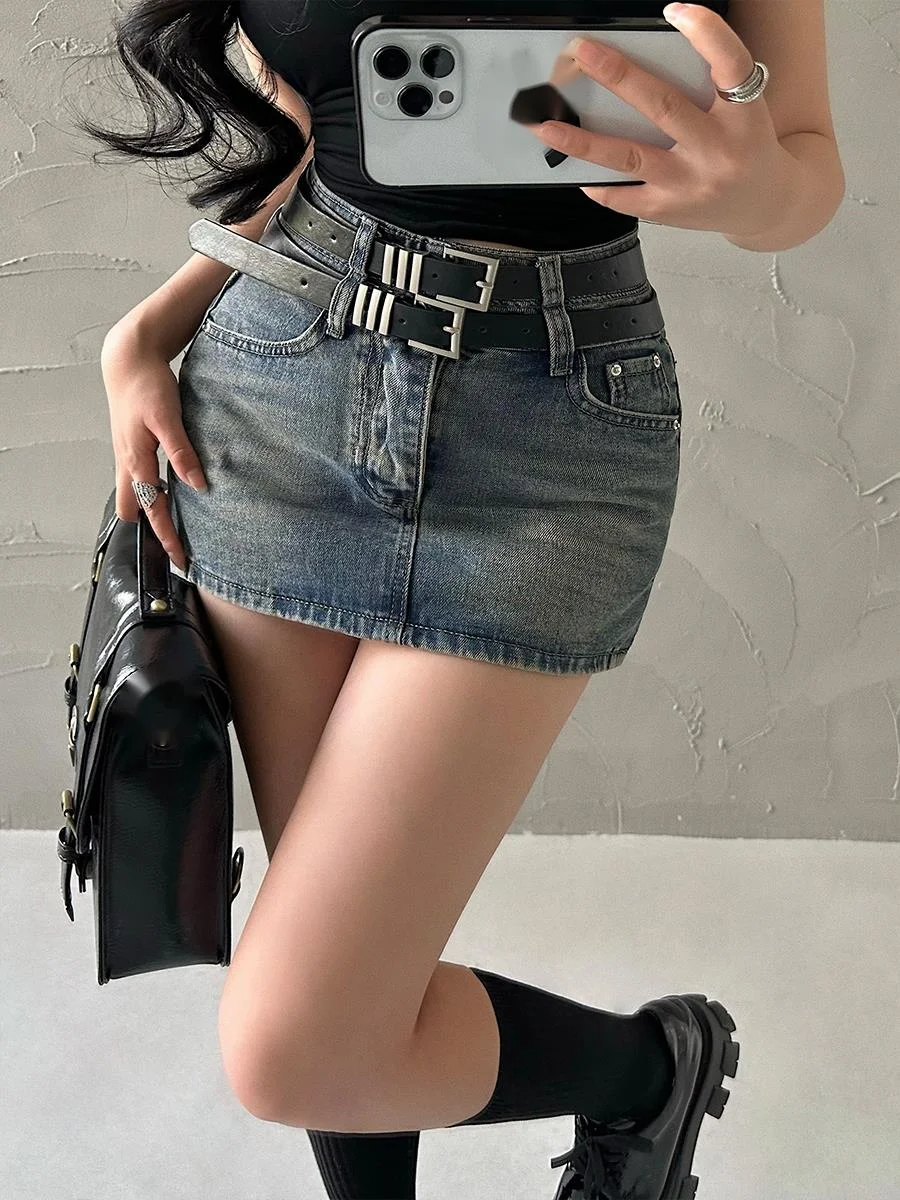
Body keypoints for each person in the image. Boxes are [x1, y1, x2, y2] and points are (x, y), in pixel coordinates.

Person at [78, 2, 844, 1198]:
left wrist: (753, 191)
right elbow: (321, 138)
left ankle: (651, 1075)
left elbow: (805, 171)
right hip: (281, 401)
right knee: (347, 994)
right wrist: (146, 329)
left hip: (555, 431)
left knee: (298, 1038)